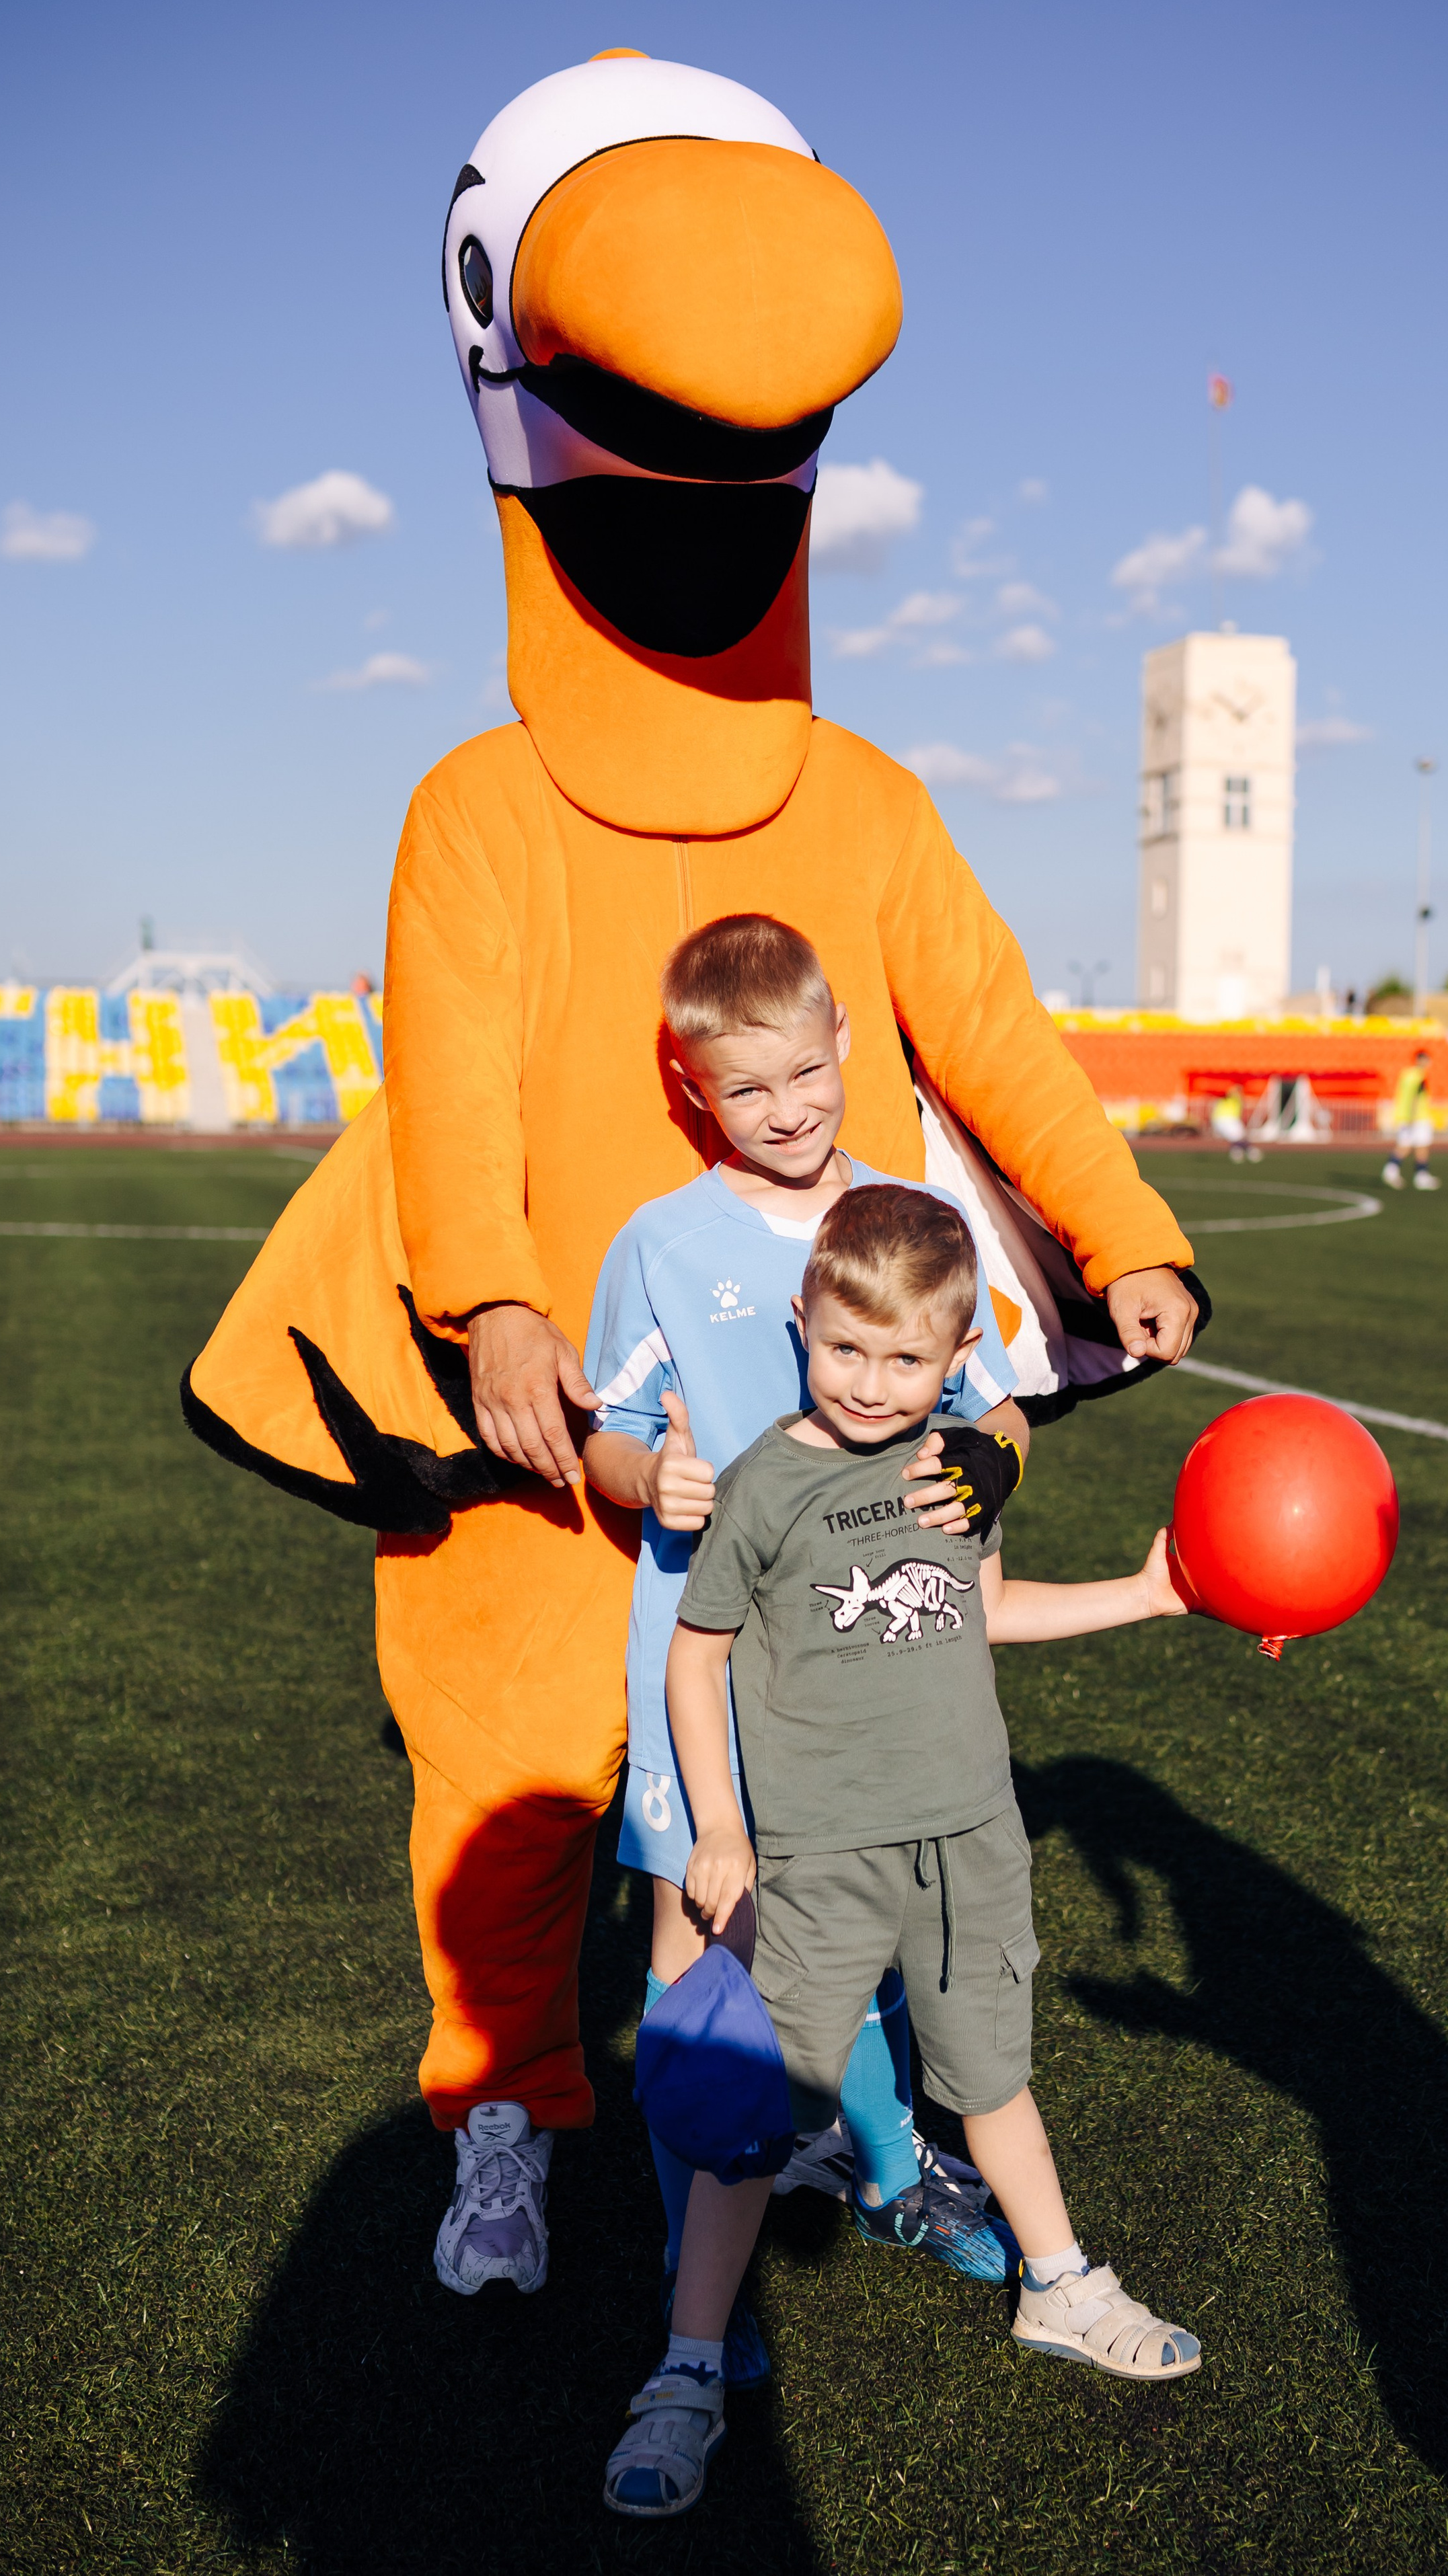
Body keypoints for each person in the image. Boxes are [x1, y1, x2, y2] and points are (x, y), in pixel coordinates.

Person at [183, 54, 1201, 2306]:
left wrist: (1124, 1231)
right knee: (522, 1782)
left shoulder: (872, 802)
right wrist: (493, 1303)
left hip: (832, 1412)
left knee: (830, 1786)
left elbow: (995, 1032)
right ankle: (507, 2115)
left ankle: (838, 2115)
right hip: (558, 1424)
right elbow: (451, 1075)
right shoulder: (478, 807)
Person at [602, 1187, 1201, 2519]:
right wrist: (719, 1827)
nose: (870, 1384)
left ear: (956, 1358)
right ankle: (688, 2366)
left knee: (989, 2080)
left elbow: (988, 1612)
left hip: (970, 1842)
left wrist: (1148, 1592)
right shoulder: (763, 1485)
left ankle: (1061, 2287)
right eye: (844, 1349)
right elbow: (695, 1662)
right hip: (816, 1863)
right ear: (801, 1322)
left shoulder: (957, 1472)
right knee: (752, 2119)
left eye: (906, 1359)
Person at [581, 916, 1029, 2371]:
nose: (784, 1111)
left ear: (845, 1039)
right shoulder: (659, 1243)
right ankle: (692, 2270)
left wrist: (995, 1464)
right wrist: (646, 1477)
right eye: (744, 1088)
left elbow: (996, 1405)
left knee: (871, 1922)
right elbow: (607, 1436)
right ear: (691, 1084)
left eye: (804, 1073)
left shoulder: (909, 1220)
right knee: (703, 1937)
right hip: (707, 1662)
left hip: (867, 1676)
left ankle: (893, 2172)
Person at [1383, 1047, 1439, 1190]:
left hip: (1407, 1116)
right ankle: (1420, 1176)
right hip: (1417, 1117)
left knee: (1407, 1145)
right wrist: (1412, 1117)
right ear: (1421, 1060)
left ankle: (1392, 1171)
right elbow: (1414, 1097)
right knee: (1419, 1146)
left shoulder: (1407, 1074)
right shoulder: (1418, 1076)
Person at [1208, 1080, 1262, 1163]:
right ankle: (1249, 1151)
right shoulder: (1230, 1095)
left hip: (1230, 1120)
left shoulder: (1237, 1097)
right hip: (1226, 1120)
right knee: (1237, 1137)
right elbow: (1227, 1094)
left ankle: (1240, 1152)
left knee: (1239, 1137)